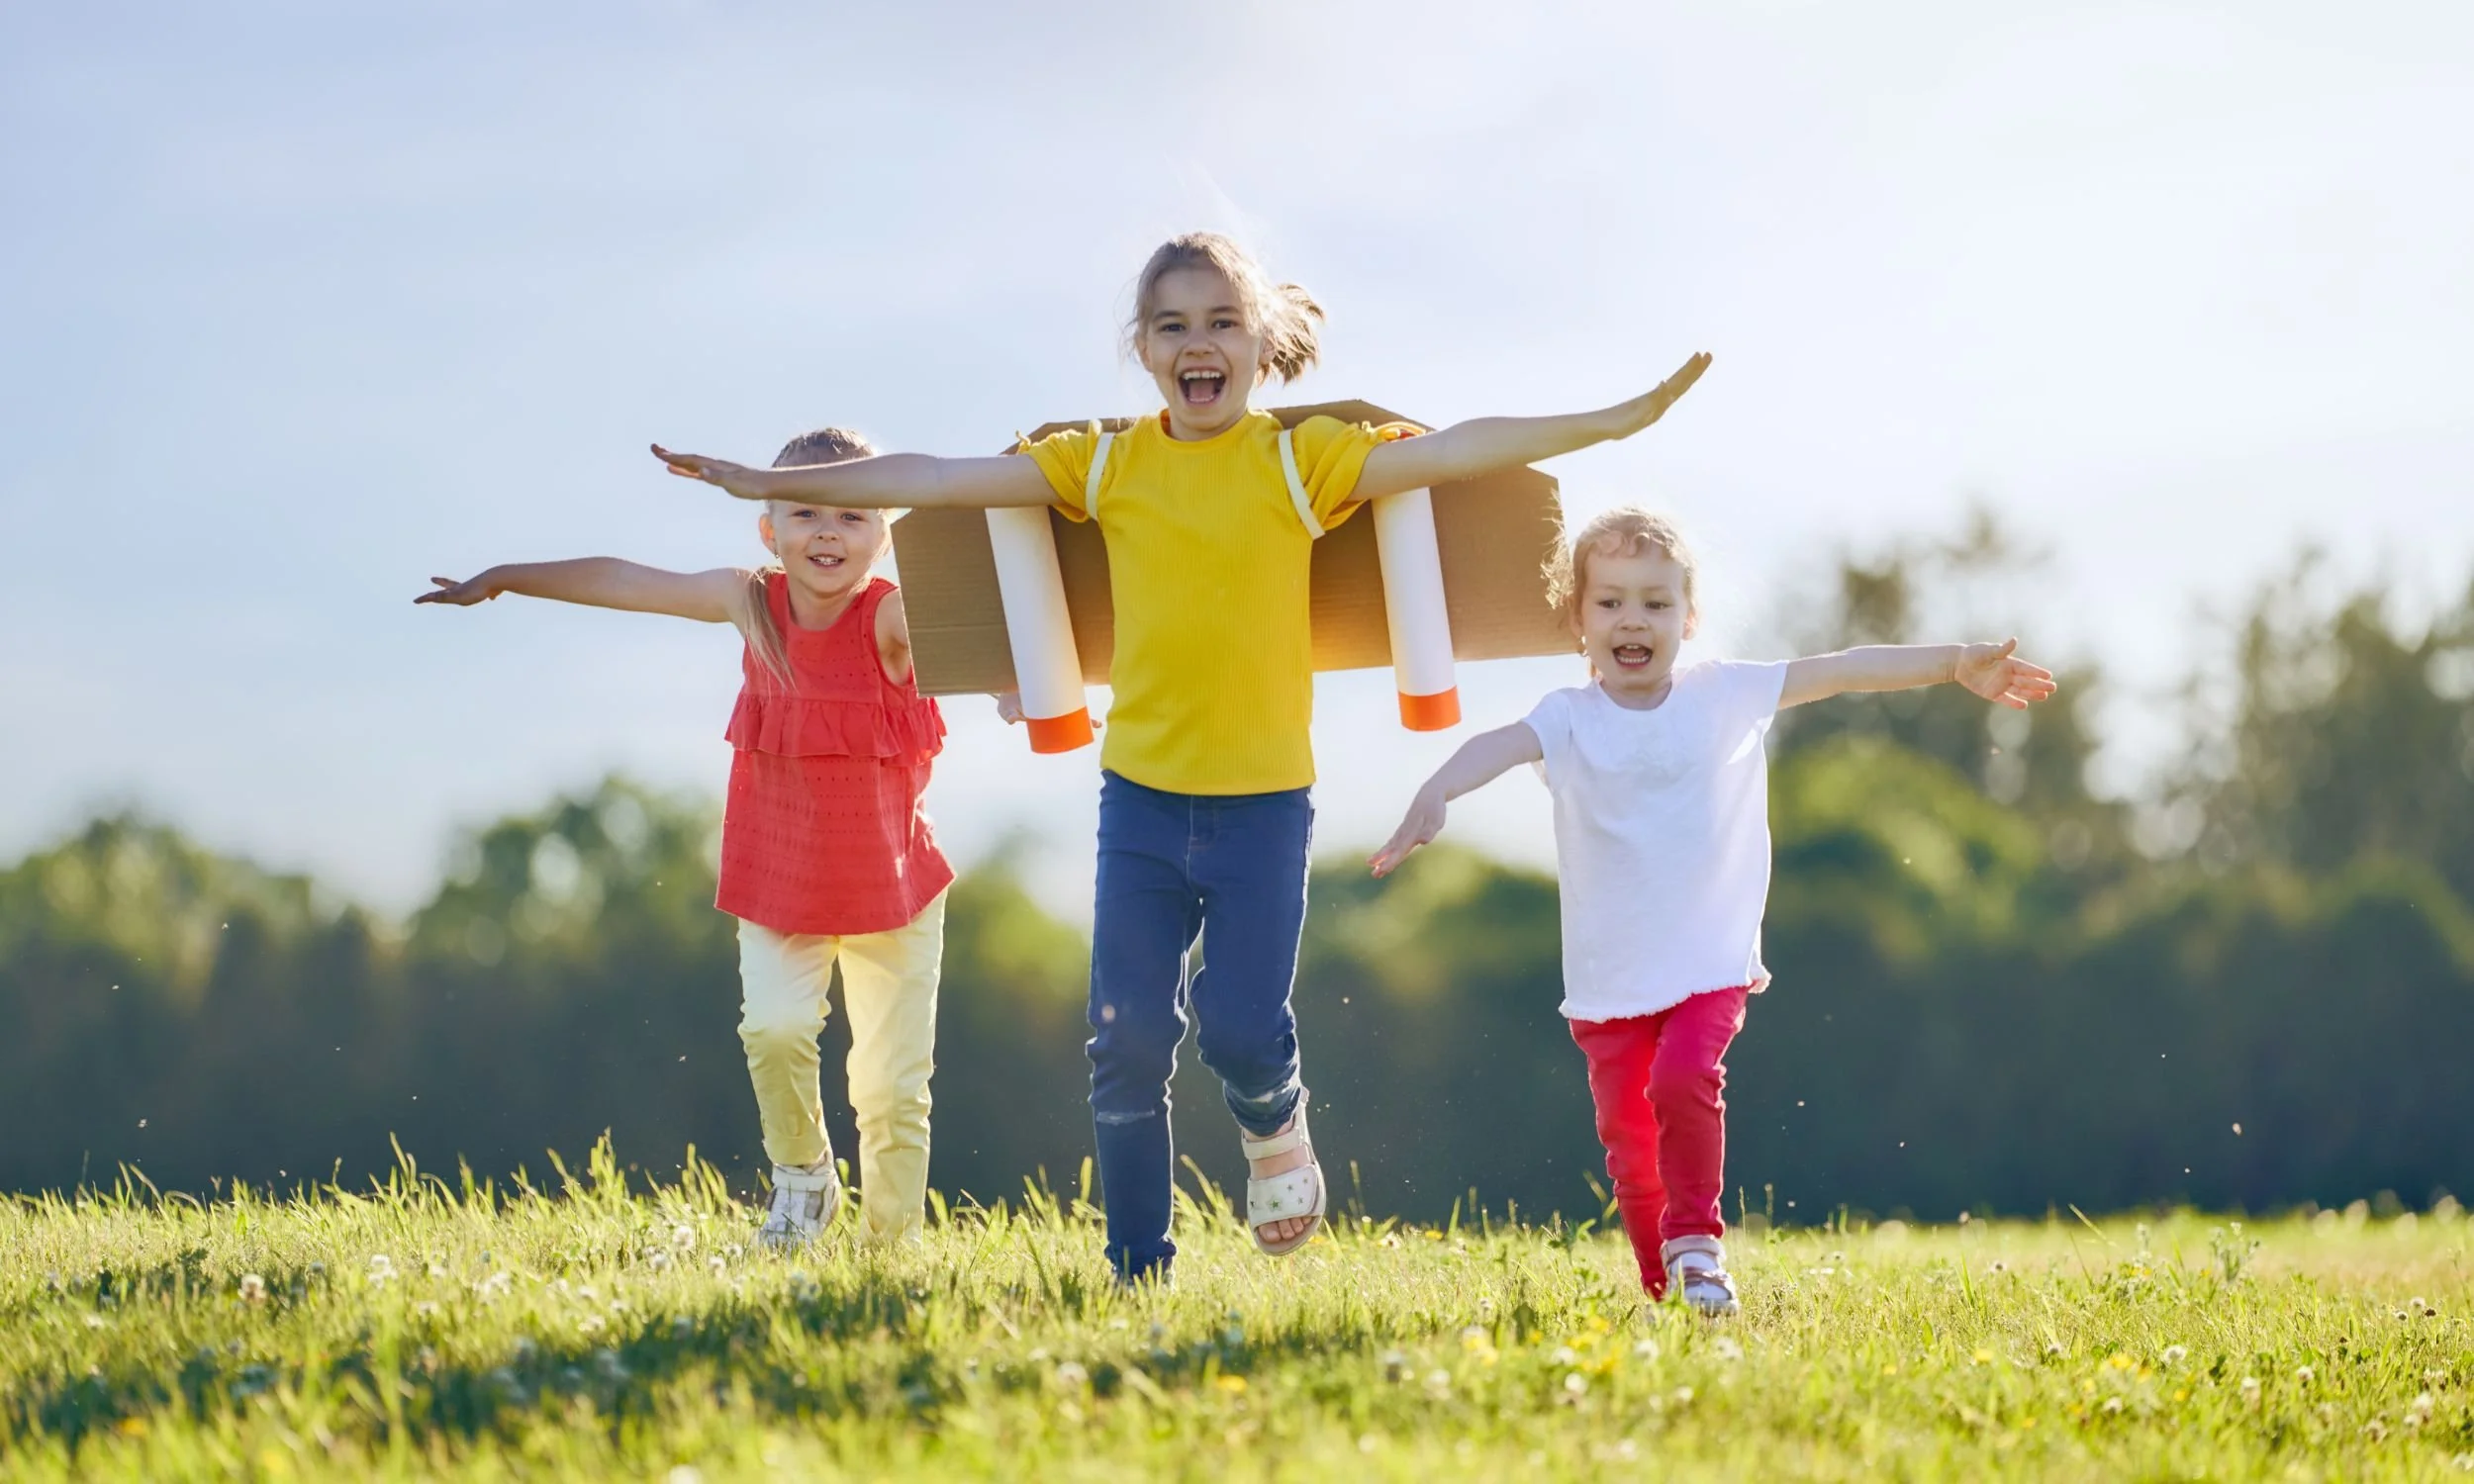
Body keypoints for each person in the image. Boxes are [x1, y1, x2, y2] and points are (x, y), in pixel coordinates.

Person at [650, 232, 1712, 1282]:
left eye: (1220, 323)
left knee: (1241, 1031)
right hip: (1142, 804)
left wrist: (1618, 418)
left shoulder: (1300, 462)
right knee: (1123, 1042)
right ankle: (1135, 1268)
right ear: (1144, 349)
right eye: (1171, 326)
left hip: (1261, 806)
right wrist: (754, 482)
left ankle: (1273, 1122)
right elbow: (935, 475)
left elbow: (1450, 450)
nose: (1196, 344)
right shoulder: (1106, 463)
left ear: (1257, 346)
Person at [1369, 508, 2056, 1314]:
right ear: (1578, 620)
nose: (1634, 620)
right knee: (1630, 1146)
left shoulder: (1724, 694)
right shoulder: (1567, 718)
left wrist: (1952, 665)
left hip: (1708, 960)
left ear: (1687, 619)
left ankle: (1699, 1249)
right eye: (1612, 602)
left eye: (1657, 604)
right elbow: (1497, 744)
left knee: (1686, 1077)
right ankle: (1666, 1287)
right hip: (1608, 979)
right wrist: (1437, 788)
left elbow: (1842, 667)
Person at [418, 427, 956, 1251]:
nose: (827, 533)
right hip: (782, 882)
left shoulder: (890, 620)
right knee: (771, 1031)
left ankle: (891, 1247)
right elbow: (621, 578)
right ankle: (805, 1180)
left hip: (893, 887)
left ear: (881, 534)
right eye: (805, 512)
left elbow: (979, 627)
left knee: (889, 1087)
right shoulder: (752, 603)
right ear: (767, 526)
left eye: (851, 516)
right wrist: (505, 581)